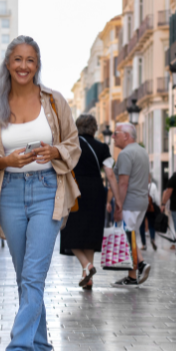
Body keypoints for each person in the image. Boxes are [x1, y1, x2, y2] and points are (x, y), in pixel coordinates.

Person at [0, 35, 81, 351]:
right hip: (8, 193)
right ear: (8, 64)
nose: (23, 65)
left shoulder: (54, 102)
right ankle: (39, 343)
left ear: (37, 65)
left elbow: (73, 145)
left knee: (34, 276)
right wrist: (6, 161)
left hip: (48, 190)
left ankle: (19, 350)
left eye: (30, 60)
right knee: (25, 276)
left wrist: (54, 152)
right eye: (17, 59)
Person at [59, 114, 115, 289]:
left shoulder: (70, 145)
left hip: (74, 190)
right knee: (90, 233)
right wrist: (117, 199)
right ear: (95, 128)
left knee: (69, 232)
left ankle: (87, 266)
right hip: (96, 190)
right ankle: (87, 276)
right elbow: (110, 173)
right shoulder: (102, 147)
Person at [109, 123, 151, 287]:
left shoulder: (126, 154)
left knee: (127, 236)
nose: (113, 136)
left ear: (126, 136)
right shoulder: (142, 152)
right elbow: (147, 179)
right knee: (130, 235)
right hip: (141, 201)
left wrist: (118, 206)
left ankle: (141, 264)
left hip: (130, 203)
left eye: (116, 133)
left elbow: (123, 183)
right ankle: (132, 277)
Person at [142, 177, 160, 251]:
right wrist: (158, 206)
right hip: (150, 207)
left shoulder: (140, 185)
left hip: (142, 207)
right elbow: (156, 198)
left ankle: (144, 244)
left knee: (141, 226)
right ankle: (153, 239)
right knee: (151, 225)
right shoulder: (153, 186)